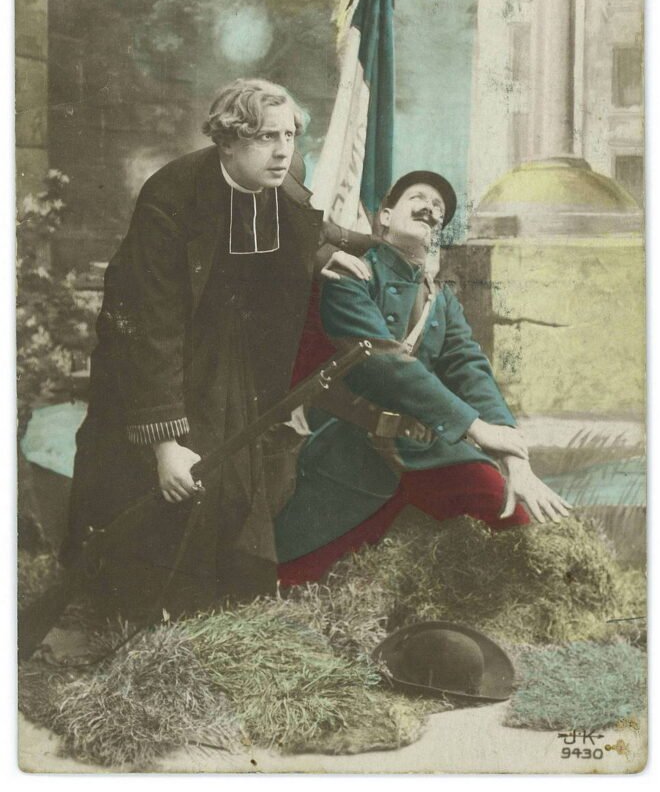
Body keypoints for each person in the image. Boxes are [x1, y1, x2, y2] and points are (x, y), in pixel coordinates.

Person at [62, 78, 374, 617]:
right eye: (266, 137)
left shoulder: (283, 176)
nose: (283, 151)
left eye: (289, 135)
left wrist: (327, 255)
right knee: (165, 478)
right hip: (157, 353)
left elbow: (304, 228)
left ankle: (223, 597)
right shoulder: (171, 195)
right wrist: (164, 442)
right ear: (227, 141)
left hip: (233, 350)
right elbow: (150, 322)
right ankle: (137, 603)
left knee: (234, 477)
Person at [274, 171, 570, 586]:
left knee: (520, 530)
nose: (430, 209)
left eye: (439, 209)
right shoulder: (351, 274)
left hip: (429, 451)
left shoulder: (441, 299)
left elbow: (470, 369)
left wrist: (515, 461)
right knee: (294, 578)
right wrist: (474, 427)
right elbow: (382, 362)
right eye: (419, 198)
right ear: (385, 216)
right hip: (352, 453)